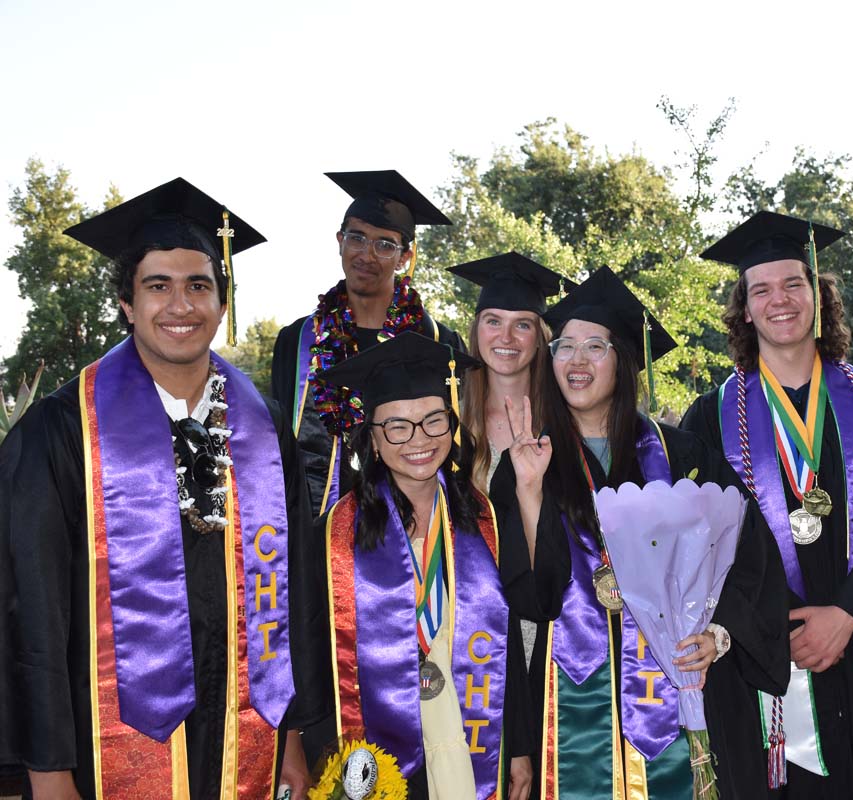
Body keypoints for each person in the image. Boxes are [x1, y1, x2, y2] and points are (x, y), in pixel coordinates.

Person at [0, 178, 327, 798]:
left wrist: (291, 739)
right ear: (127, 302)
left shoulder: (264, 429)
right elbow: (30, 612)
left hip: (244, 737)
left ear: (221, 302)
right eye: (158, 286)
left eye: (198, 285)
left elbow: (292, 603)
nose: (181, 305)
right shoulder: (63, 433)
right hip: (104, 746)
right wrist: (48, 772)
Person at [491, 266, 789, 798]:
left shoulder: (683, 455)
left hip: (683, 692)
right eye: (564, 346)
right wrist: (531, 492)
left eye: (596, 346)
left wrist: (719, 634)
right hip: (570, 704)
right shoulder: (528, 461)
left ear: (624, 361)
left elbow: (750, 556)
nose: (576, 360)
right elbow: (530, 599)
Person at [681, 211, 853, 800]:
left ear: (818, 294)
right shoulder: (711, 420)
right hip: (773, 660)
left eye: (794, 283)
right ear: (744, 308)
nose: (780, 301)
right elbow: (707, 552)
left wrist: (845, 616)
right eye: (761, 289)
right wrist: (775, 627)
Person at [307, 331, 535, 800]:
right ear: (371, 436)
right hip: (378, 749)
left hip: (473, 732)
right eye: (397, 426)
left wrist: (519, 747)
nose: (418, 440)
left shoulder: (481, 517)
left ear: (452, 424)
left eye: (433, 421)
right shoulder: (334, 534)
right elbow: (312, 656)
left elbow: (505, 639)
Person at [270, 170, 463, 519]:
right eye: (357, 238)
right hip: (314, 532)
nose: (367, 254)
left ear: (405, 257)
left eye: (385, 244)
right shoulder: (296, 342)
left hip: (413, 532)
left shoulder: (438, 342)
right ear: (340, 240)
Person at [447, 251, 575, 492]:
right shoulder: (452, 421)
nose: (506, 337)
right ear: (477, 332)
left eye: (523, 325)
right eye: (493, 321)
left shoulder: (565, 420)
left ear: (539, 338)